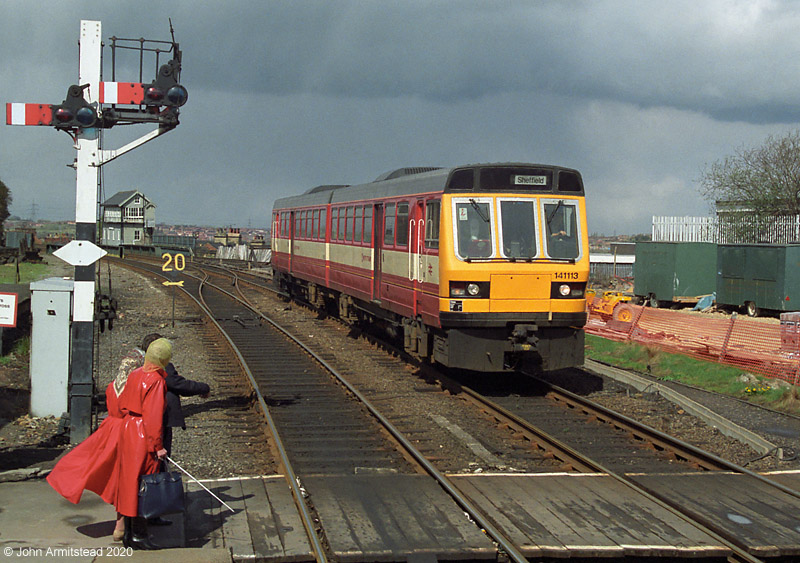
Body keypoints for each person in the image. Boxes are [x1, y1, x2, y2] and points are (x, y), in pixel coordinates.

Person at [47, 347, 145, 542]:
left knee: (105, 471)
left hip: (109, 430)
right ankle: (122, 524)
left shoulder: (111, 386)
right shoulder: (134, 386)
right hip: (127, 432)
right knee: (125, 478)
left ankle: (121, 524)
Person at [115, 337, 172, 550]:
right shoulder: (157, 381)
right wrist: (157, 446)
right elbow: (154, 417)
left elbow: (121, 403)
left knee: (128, 481)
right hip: (143, 432)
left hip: (128, 428)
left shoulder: (135, 374)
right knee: (143, 484)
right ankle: (140, 535)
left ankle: (128, 533)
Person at [140, 333, 210, 457]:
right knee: (159, 457)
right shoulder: (160, 367)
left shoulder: (138, 364)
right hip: (158, 417)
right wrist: (203, 388)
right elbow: (178, 384)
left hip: (137, 418)